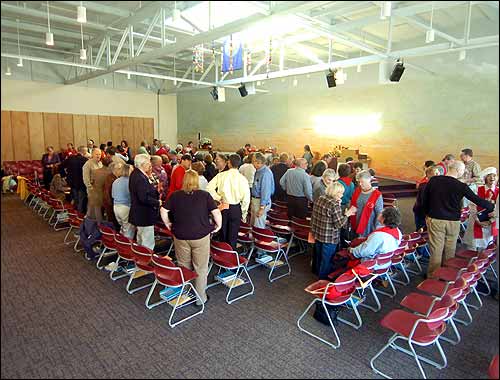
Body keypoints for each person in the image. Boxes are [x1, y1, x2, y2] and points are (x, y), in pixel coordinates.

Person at [422, 161, 495, 278]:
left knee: (436, 249)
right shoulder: (461, 186)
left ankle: (433, 277)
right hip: (454, 222)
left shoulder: (434, 180)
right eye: (463, 170)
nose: (464, 172)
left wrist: (426, 213)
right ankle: (446, 276)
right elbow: (476, 199)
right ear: (458, 170)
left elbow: (424, 199)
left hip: (435, 219)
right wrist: (492, 206)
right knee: (450, 250)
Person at [160, 170, 222, 305]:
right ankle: (200, 298)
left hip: (180, 236)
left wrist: (168, 224)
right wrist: (219, 225)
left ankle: (186, 293)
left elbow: (163, 210)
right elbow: (216, 212)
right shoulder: (204, 195)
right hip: (200, 236)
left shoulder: (175, 195)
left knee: (184, 265)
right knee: (200, 267)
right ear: (197, 181)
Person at [311, 182, 356, 279]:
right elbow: (338, 224)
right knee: (327, 259)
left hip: (318, 232)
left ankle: (317, 272)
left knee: (318, 256)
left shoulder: (321, 198)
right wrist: (347, 214)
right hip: (329, 236)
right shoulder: (334, 204)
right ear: (335, 193)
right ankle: (322, 279)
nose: (342, 195)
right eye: (340, 193)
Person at [207, 154, 250, 250]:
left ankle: (222, 254)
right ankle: (231, 257)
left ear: (229, 163)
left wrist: (218, 198)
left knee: (223, 233)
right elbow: (246, 199)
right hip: (236, 208)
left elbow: (208, 188)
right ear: (238, 164)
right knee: (233, 235)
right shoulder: (243, 179)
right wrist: (244, 213)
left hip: (223, 206)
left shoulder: (221, 175)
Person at [129, 154, 161, 250]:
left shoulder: (136, 174)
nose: (150, 165)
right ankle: (146, 263)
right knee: (147, 242)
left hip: (139, 212)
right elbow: (143, 198)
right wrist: (157, 202)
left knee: (141, 239)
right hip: (144, 214)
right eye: (148, 163)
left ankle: (140, 259)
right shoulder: (140, 177)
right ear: (143, 164)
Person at [463, 167, 498, 250]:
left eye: (494, 175)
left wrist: (493, 217)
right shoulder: (477, 189)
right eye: (489, 175)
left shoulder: (498, 191)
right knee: (473, 246)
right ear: (485, 178)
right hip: (476, 221)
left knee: (488, 247)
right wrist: (478, 220)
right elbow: (472, 206)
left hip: (492, 222)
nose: (492, 178)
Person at [350, 170, 383, 238]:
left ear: (369, 180)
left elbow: (379, 213)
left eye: (362, 182)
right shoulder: (357, 191)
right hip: (356, 223)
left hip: (368, 226)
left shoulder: (377, 195)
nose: (360, 184)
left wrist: (376, 229)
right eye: (359, 182)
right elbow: (353, 205)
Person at [250, 152, 274, 228]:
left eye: (253, 161)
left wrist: (262, 207)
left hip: (260, 202)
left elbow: (266, 191)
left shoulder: (265, 173)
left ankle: (257, 239)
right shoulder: (259, 170)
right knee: (254, 223)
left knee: (258, 225)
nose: (252, 163)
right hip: (255, 200)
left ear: (258, 162)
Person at [62, 146, 88, 213]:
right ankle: (79, 215)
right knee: (81, 199)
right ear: (84, 152)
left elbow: (61, 166)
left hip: (72, 182)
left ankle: (74, 214)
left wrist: (65, 175)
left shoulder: (70, 158)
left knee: (75, 198)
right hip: (81, 183)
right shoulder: (85, 160)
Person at [112, 164, 135, 239]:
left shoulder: (116, 181)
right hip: (125, 207)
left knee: (123, 228)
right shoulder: (130, 181)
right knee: (128, 230)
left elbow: (113, 195)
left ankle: (120, 244)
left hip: (116, 207)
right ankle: (126, 248)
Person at [413, 166, 439, 231]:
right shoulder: (425, 186)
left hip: (428, 212)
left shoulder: (433, 185)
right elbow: (423, 202)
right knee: (421, 230)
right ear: (430, 174)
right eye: (436, 172)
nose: (438, 174)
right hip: (422, 212)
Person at [87, 157, 111, 223]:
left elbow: (92, 182)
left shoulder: (95, 171)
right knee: (108, 211)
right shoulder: (110, 173)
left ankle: (99, 225)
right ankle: (108, 227)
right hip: (106, 194)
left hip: (96, 193)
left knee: (97, 211)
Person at [103, 162, 121, 228]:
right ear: (114, 170)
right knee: (113, 222)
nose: (121, 170)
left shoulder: (115, 177)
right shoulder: (110, 178)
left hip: (112, 203)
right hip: (110, 204)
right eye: (119, 168)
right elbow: (107, 193)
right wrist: (111, 204)